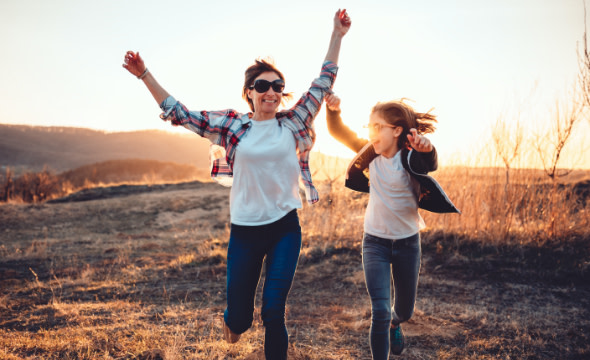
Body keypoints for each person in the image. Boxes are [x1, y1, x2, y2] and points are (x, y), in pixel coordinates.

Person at [122, 9, 351, 360]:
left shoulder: (293, 123)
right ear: (249, 92)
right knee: (241, 321)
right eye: (263, 86)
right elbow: (181, 113)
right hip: (244, 232)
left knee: (274, 311)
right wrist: (145, 75)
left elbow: (324, 80)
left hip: (285, 229)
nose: (271, 92)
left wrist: (337, 34)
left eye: (277, 86)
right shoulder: (231, 126)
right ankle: (231, 321)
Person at [324, 93, 459, 358]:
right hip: (374, 242)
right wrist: (334, 111)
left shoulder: (412, 158)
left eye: (377, 127)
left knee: (404, 310)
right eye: (369, 127)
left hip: (408, 243)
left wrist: (427, 147)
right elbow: (337, 131)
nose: (371, 132)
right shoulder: (369, 153)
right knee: (381, 311)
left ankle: (397, 323)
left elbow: (430, 162)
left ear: (397, 130)